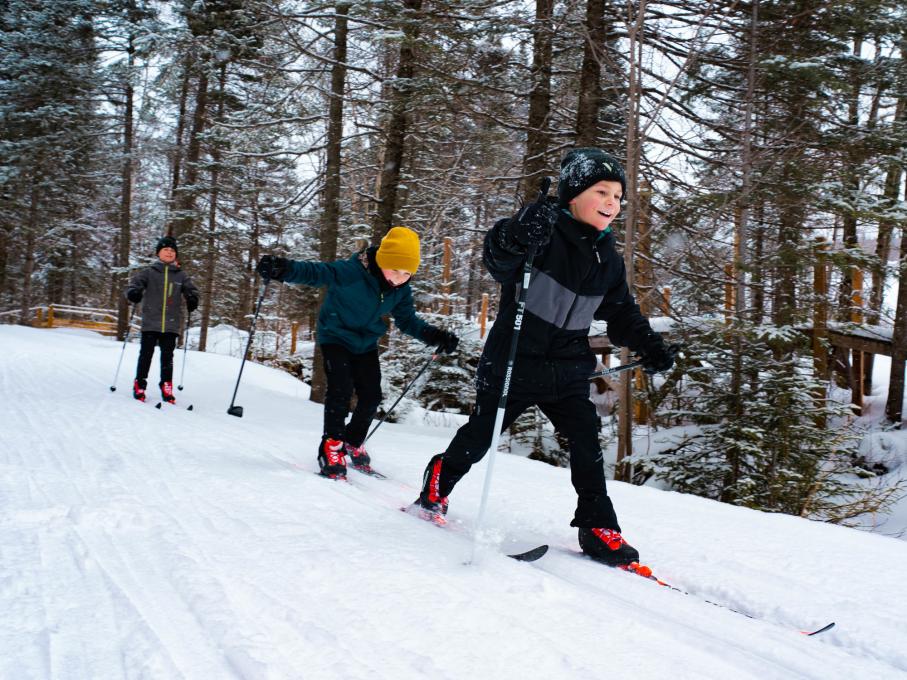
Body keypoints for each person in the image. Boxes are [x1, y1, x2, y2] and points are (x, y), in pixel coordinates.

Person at [410, 148, 675, 567]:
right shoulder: (541, 232)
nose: (612, 203)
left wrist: (649, 345)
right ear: (572, 195)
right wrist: (515, 233)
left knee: (586, 443)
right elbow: (499, 257)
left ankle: (597, 526)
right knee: (479, 437)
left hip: (568, 367)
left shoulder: (607, 258)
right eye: (601, 192)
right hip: (514, 359)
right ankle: (440, 480)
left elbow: (620, 310)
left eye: (618, 196)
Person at [256, 226, 460, 480]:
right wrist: (283, 268)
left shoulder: (400, 289)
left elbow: (408, 321)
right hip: (336, 336)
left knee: (372, 396)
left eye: (407, 273)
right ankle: (331, 445)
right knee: (340, 390)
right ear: (383, 260)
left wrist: (435, 336)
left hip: (365, 343)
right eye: (395, 270)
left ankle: (352, 441)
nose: (399, 278)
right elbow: (316, 272)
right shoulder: (351, 271)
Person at [125, 236, 199, 404]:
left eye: (172, 251)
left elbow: (192, 290)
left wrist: (192, 298)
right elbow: (134, 285)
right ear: (159, 253)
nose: (169, 252)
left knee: (168, 357)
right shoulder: (149, 272)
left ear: (176, 255)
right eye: (166, 250)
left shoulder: (181, 275)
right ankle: (140, 384)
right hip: (151, 321)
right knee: (146, 355)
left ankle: (166, 385)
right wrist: (133, 293)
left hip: (171, 323)